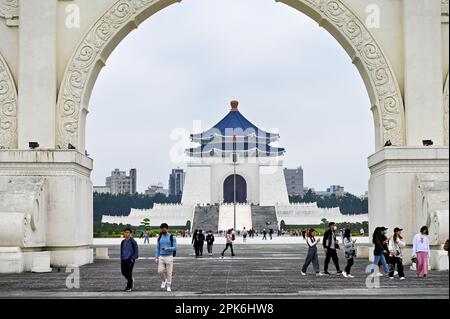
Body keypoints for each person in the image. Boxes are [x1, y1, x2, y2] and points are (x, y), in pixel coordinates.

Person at [155, 223, 177, 292]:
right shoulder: (159, 237)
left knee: (169, 272)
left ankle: (168, 286)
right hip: (161, 256)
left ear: (167, 229)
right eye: (161, 229)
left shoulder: (172, 237)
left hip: (169, 256)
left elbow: (175, 248)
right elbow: (157, 248)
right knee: (160, 271)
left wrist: (168, 248)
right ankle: (164, 280)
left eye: (164, 229)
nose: (162, 230)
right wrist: (156, 257)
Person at [120, 228, 139, 292]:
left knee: (129, 273)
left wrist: (133, 258)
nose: (126, 233)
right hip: (123, 259)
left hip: (130, 259)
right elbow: (122, 251)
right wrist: (121, 258)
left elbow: (136, 251)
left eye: (128, 232)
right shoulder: (123, 241)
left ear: (130, 233)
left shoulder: (133, 241)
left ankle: (129, 287)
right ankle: (131, 280)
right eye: (125, 232)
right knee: (123, 272)